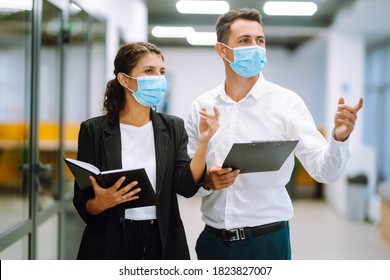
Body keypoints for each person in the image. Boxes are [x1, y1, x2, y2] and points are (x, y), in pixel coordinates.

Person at [186, 8, 364, 260]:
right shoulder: (202, 107)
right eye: (244, 41)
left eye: (260, 40)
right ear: (222, 50)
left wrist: (339, 138)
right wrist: (205, 181)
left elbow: (325, 171)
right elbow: (189, 182)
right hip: (213, 242)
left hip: (268, 242)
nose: (256, 47)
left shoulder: (287, 103)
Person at [73, 42, 219, 260]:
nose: (158, 79)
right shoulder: (93, 130)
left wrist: (204, 143)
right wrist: (101, 202)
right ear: (124, 79)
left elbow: (186, 187)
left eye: (161, 72)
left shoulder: (173, 127)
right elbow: (82, 201)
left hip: (162, 240)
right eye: (149, 71)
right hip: (109, 240)